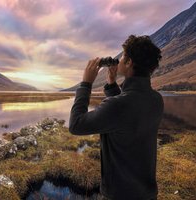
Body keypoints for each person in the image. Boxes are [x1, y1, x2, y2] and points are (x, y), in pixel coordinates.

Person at [69, 35, 164, 200]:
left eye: (122, 57)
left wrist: (85, 83)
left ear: (129, 63)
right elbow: (127, 115)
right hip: (147, 192)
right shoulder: (156, 99)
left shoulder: (118, 106)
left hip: (120, 194)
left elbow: (76, 125)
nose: (118, 60)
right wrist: (112, 84)